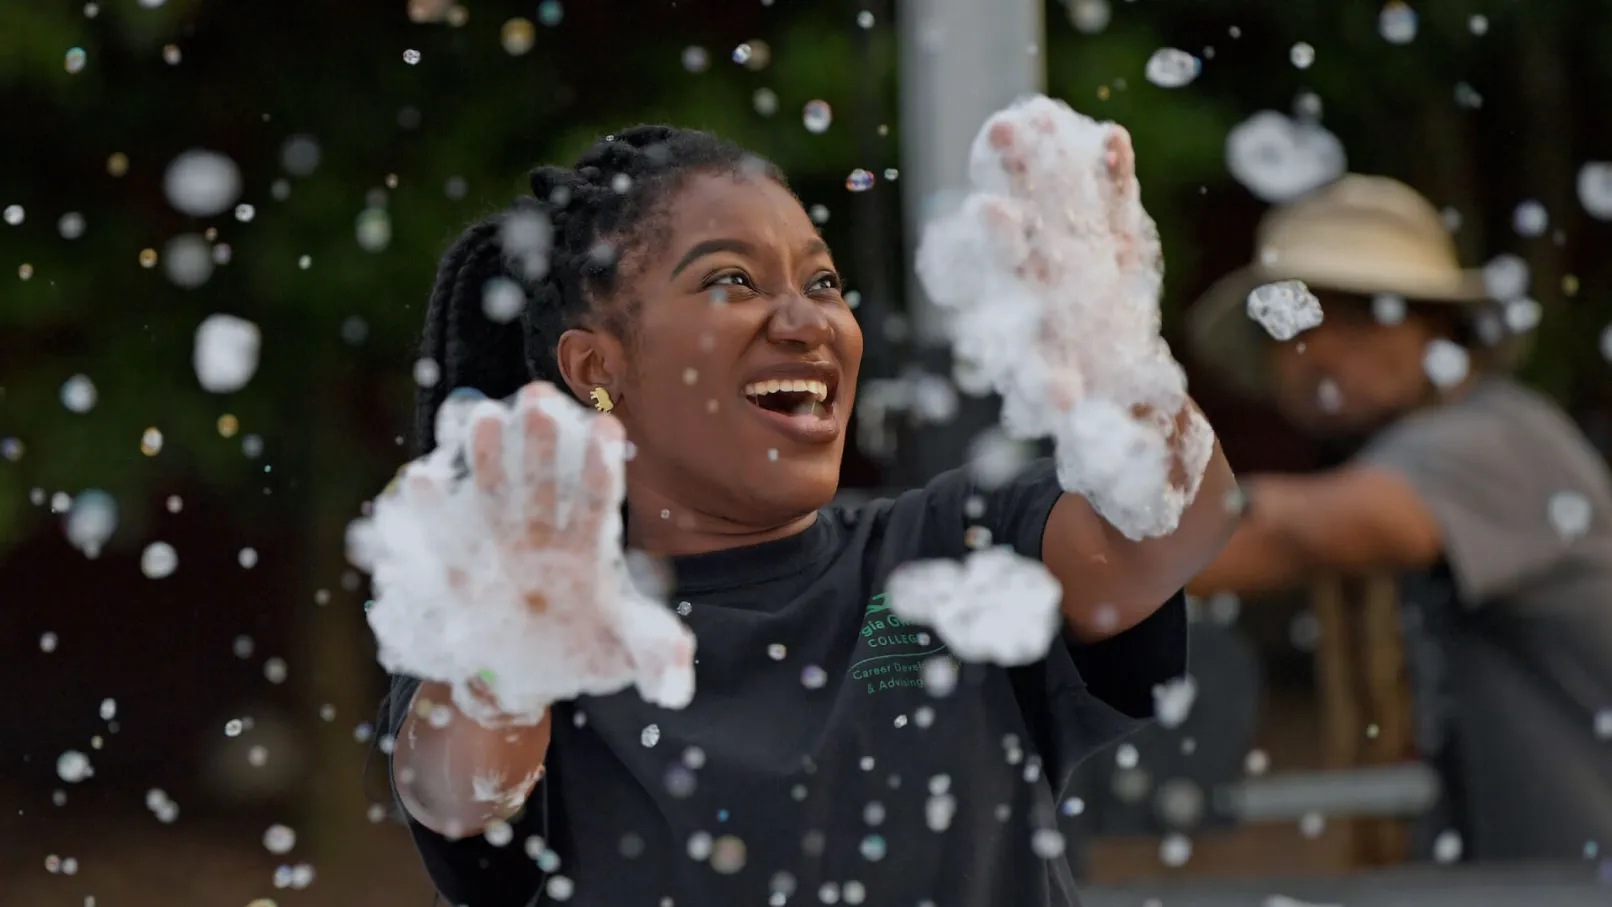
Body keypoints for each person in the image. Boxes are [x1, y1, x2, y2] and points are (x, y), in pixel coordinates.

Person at [382, 124, 1238, 907]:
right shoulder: (521, 618)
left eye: (823, 281)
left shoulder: (952, 549)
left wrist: (1117, 348)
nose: (806, 321)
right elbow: (459, 792)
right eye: (732, 280)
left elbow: (1168, 523)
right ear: (597, 365)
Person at [1185, 174, 1612, 862]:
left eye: (1358, 315)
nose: (1318, 348)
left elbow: (1288, 532)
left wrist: (1047, 558)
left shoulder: (1495, 442)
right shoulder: (1415, 452)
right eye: (1292, 318)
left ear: (1440, 329)